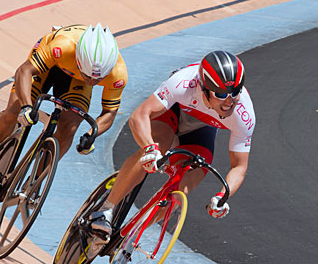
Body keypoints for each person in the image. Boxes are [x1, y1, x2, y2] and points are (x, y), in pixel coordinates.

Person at [90, 50, 255, 242]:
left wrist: (222, 196)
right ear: (204, 88)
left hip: (201, 129)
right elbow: (139, 115)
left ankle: (134, 234)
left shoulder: (244, 114)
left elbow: (239, 166)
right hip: (172, 111)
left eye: (235, 92)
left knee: (187, 181)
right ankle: (105, 210)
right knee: (159, 143)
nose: (230, 100)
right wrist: (149, 148)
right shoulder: (183, 83)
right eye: (221, 94)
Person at [0, 23, 127, 196]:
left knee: (69, 128)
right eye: (88, 75)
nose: (92, 82)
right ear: (79, 59)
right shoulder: (62, 46)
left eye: (98, 79)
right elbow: (24, 71)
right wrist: (27, 106)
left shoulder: (118, 73)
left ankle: (35, 182)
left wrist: (91, 134)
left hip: (75, 82)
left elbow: (109, 112)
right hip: (50, 65)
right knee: (13, 112)